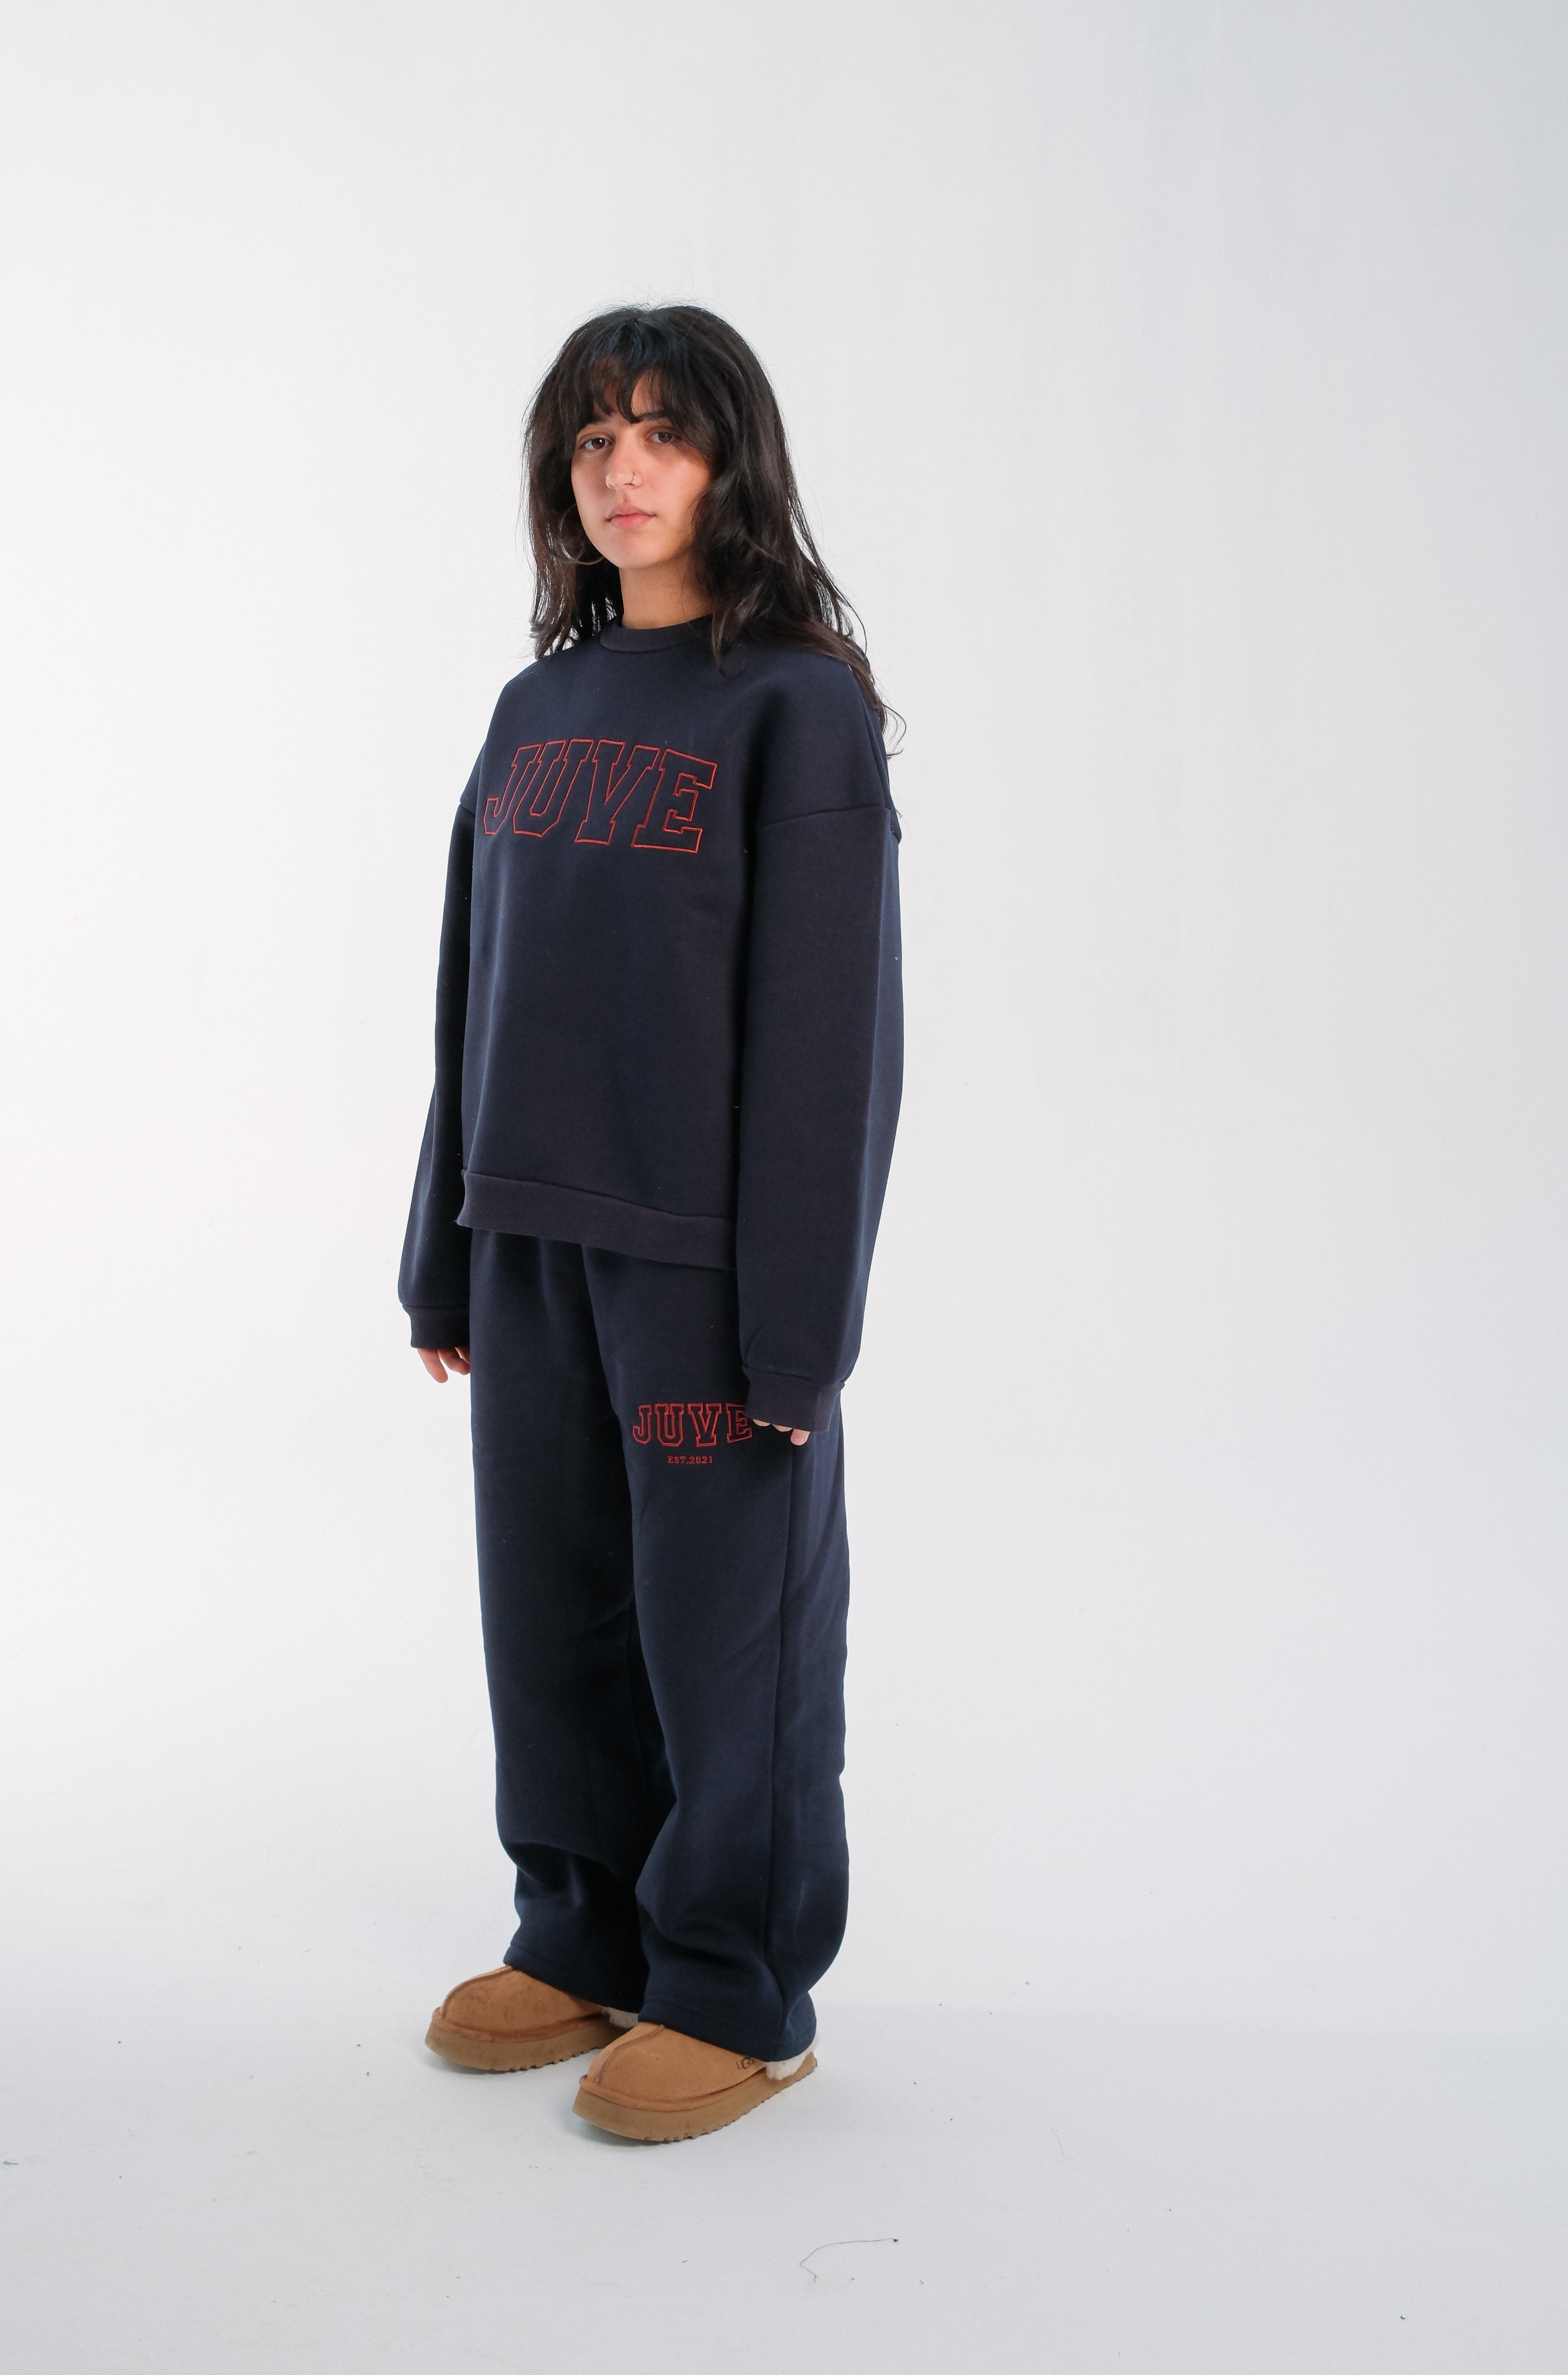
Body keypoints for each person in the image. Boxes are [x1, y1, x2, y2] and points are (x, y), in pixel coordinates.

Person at [399, 304, 903, 2144]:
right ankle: (584, 1930)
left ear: (729, 462)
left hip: (703, 1264)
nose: (624, 470)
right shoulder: (534, 711)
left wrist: (798, 1332)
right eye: (595, 438)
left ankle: (736, 1987)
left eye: (663, 435)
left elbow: (833, 1042)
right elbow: (473, 988)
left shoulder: (796, 705)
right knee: (552, 1617)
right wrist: (442, 1248)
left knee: (723, 1636)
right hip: (531, 1242)